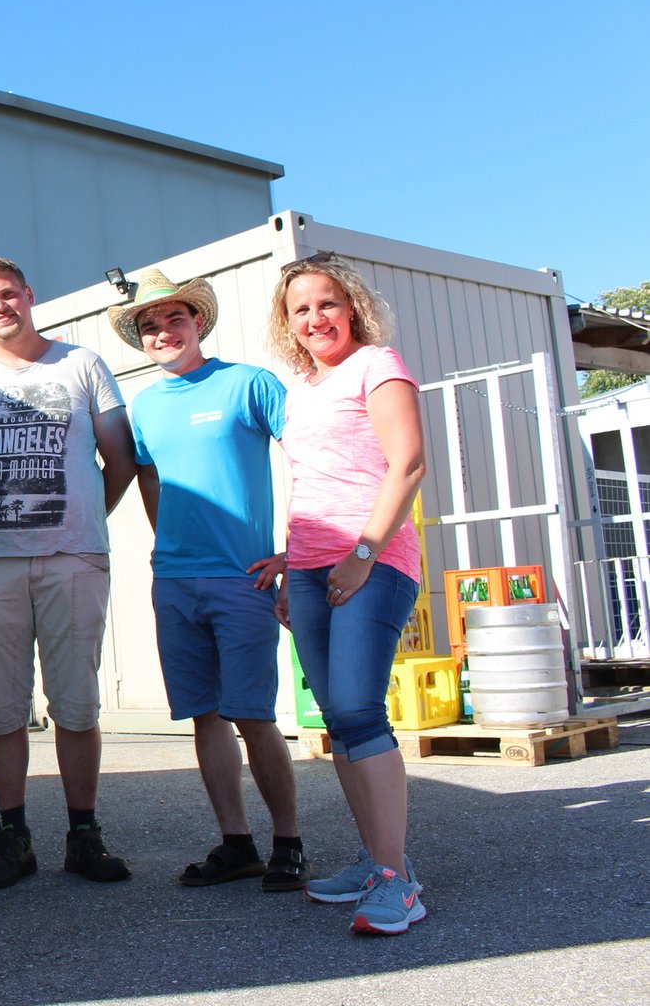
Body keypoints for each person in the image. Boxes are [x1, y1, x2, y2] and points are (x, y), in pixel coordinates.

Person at [0, 257, 139, 889]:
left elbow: (120, 459)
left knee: (75, 701)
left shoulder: (82, 364)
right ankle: (13, 835)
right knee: (1, 705)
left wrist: (84, 520)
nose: (1, 307)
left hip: (73, 558)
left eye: (9, 294)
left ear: (29, 296)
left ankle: (84, 835)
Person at [113, 271, 308, 891]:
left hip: (243, 577)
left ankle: (289, 844)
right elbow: (149, 476)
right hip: (174, 581)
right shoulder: (145, 405)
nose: (163, 333)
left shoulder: (249, 383)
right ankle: (237, 844)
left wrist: (294, 553)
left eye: (174, 319)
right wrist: (164, 544)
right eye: (150, 326)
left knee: (254, 716)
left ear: (198, 322)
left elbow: (309, 457)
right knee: (205, 715)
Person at [269, 251, 427, 935]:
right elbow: (314, 482)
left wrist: (362, 553)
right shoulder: (300, 388)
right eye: (300, 309)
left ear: (352, 306)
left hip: (373, 560)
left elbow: (408, 463)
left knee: (361, 709)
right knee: (337, 720)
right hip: (310, 568)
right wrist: (291, 565)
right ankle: (375, 860)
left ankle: (399, 882)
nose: (315, 318)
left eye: (326, 303)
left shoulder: (376, 365)